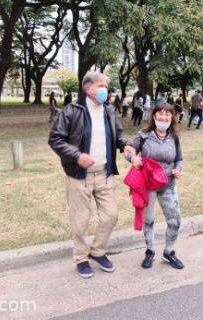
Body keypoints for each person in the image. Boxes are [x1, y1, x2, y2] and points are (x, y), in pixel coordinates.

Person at [49, 72, 136, 279]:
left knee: (111, 216)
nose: (105, 89)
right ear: (88, 88)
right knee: (80, 221)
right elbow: (56, 140)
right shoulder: (71, 111)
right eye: (100, 85)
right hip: (79, 175)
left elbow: (119, 134)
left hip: (105, 174)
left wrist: (125, 146)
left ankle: (98, 251)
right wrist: (77, 156)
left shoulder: (109, 111)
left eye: (106, 85)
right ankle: (81, 258)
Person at [128, 103, 185, 270]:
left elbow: (179, 159)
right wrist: (133, 158)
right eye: (160, 114)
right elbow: (129, 150)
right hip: (148, 186)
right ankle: (150, 251)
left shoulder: (174, 137)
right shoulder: (144, 135)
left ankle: (169, 252)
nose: (164, 117)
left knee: (175, 221)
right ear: (154, 116)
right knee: (149, 220)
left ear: (171, 118)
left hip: (168, 185)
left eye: (167, 115)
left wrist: (178, 169)